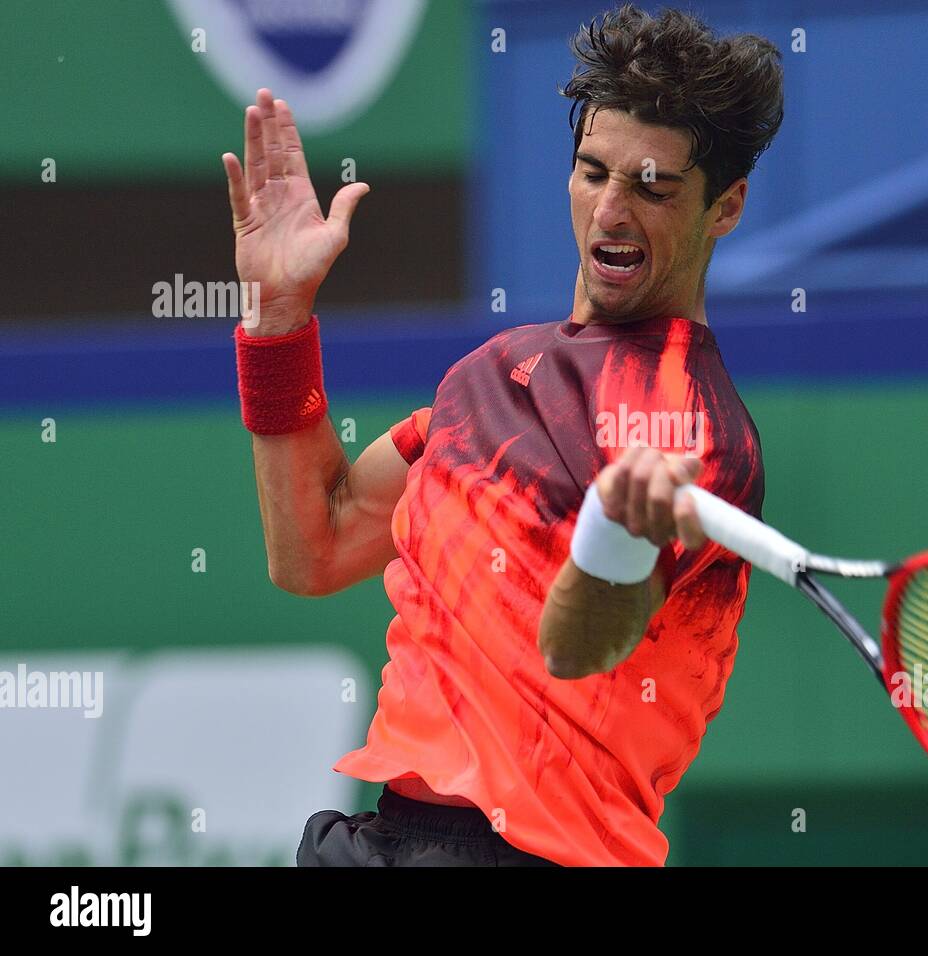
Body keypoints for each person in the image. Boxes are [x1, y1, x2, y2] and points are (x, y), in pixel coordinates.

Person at [221, 4, 783, 866]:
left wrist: (613, 539)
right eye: (593, 173)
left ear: (726, 206)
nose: (611, 211)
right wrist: (279, 322)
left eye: (652, 187)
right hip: (381, 838)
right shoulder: (489, 374)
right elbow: (314, 548)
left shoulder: (696, 432)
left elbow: (581, 644)